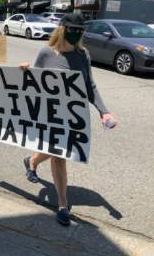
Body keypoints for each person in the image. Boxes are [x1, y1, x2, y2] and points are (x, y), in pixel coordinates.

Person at [19, 13, 118, 227]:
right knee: (59, 155)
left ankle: (32, 161)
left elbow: (90, 86)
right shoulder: (46, 53)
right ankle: (63, 205)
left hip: (73, 115)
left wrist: (104, 111)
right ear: (62, 28)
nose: (76, 34)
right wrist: (24, 72)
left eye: (79, 31)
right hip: (51, 114)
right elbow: (36, 82)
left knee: (59, 150)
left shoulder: (83, 54)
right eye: (72, 29)